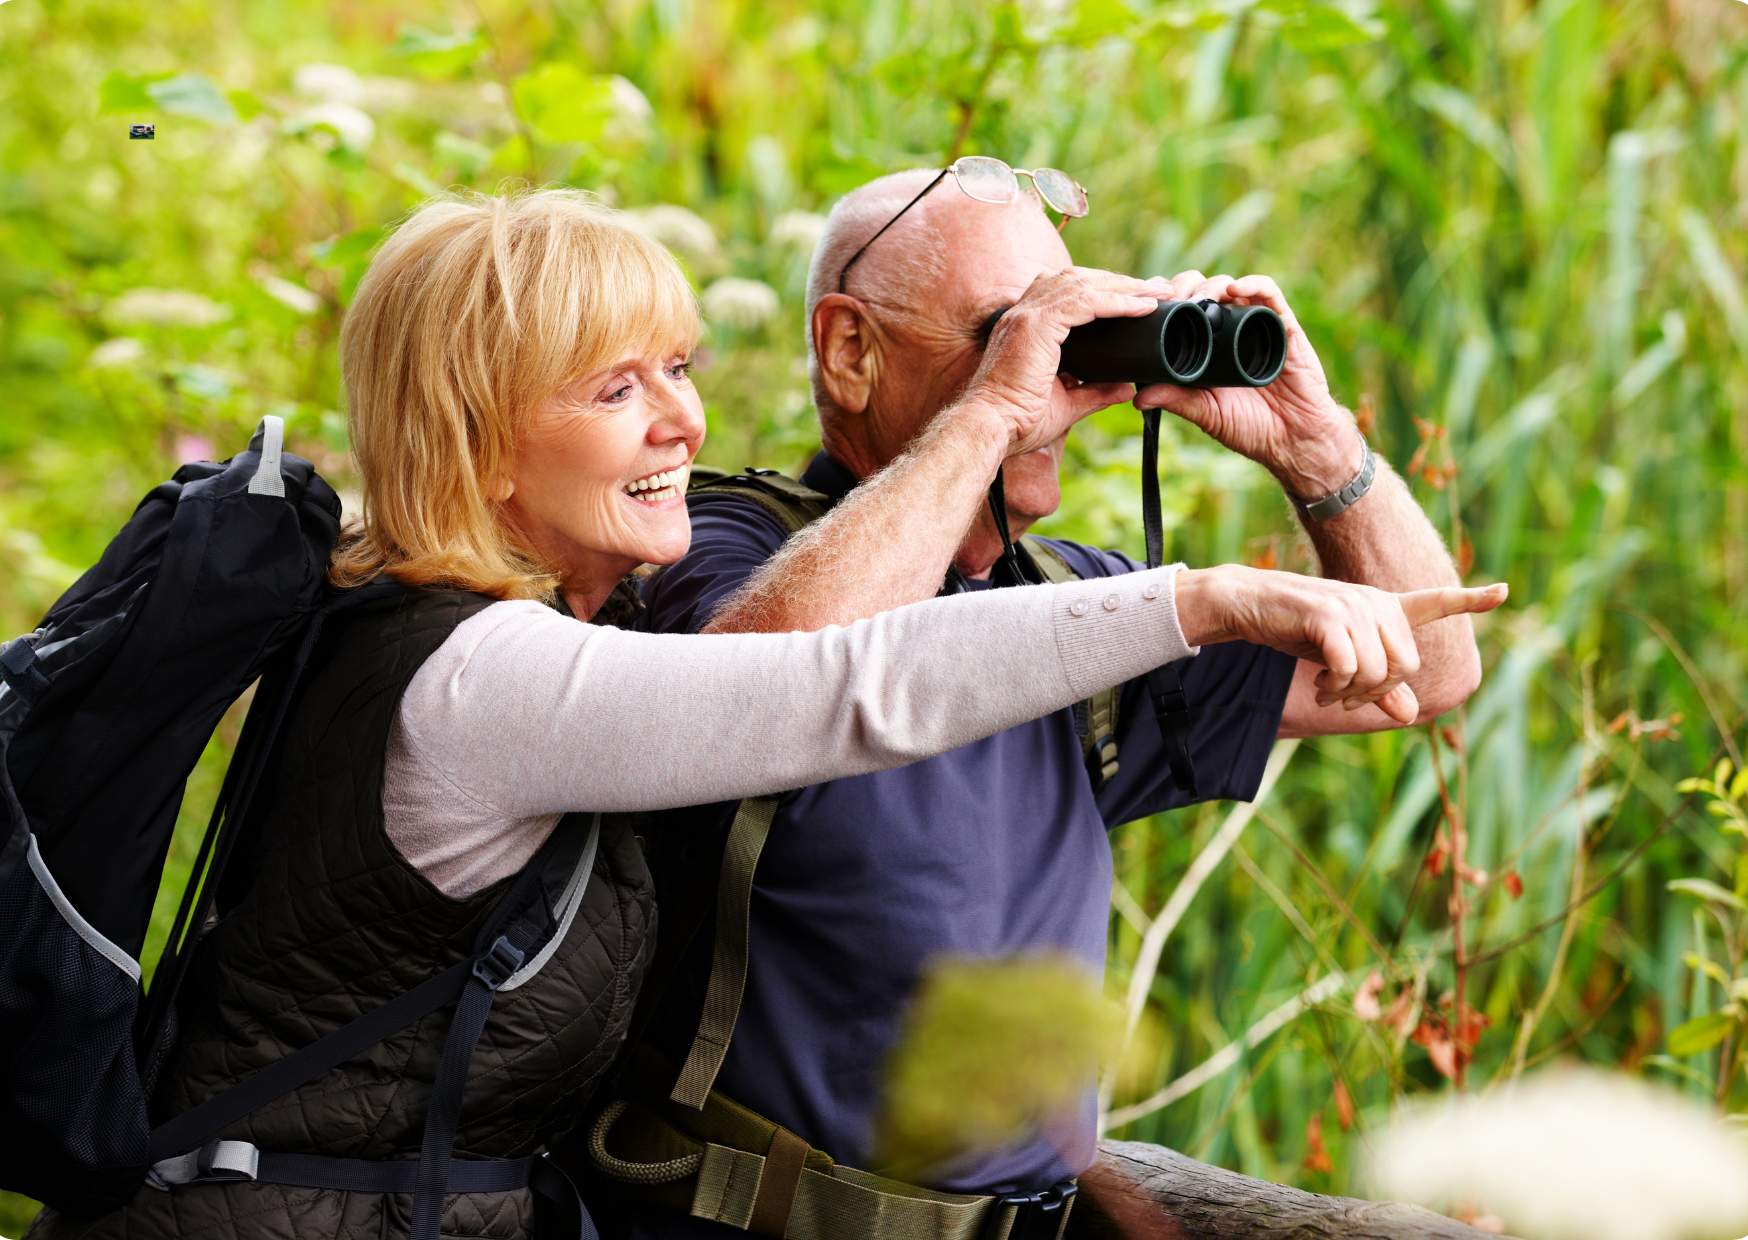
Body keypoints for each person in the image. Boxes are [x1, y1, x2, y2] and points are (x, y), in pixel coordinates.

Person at [23, 187, 1490, 1240]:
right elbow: (820, 686)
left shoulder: (513, 628)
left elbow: (1426, 671)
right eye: (619, 385)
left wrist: (1312, 436)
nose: (681, 418)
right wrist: (1195, 591)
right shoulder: (499, 667)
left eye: (678, 368)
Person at [608, 163, 1506, 1239]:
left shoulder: (1079, 608)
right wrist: (992, 408)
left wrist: (1311, 441)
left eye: (1068, 331)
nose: (1051, 375)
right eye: (1005, 328)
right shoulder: (721, 549)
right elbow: (762, 689)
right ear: (849, 350)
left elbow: (1433, 670)